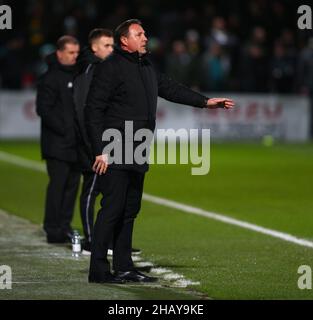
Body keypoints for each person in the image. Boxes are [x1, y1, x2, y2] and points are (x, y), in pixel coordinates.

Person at [85, 19, 234, 284]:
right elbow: (93, 110)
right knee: (112, 208)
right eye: (139, 34)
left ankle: (124, 266)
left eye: (144, 33)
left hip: (138, 145)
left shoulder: (145, 66)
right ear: (124, 41)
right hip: (114, 146)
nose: (145, 37)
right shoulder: (110, 68)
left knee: (130, 209)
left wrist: (204, 102)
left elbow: (170, 88)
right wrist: (100, 150)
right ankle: (98, 270)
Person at [36, 35, 81, 243]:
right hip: (57, 144)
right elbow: (43, 109)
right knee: (58, 185)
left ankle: (64, 226)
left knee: (72, 186)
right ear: (60, 53)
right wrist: (66, 130)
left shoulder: (76, 75)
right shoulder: (50, 78)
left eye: (77, 53)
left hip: (73, 143)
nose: (75, 56)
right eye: (71, 52)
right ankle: (52, 228)